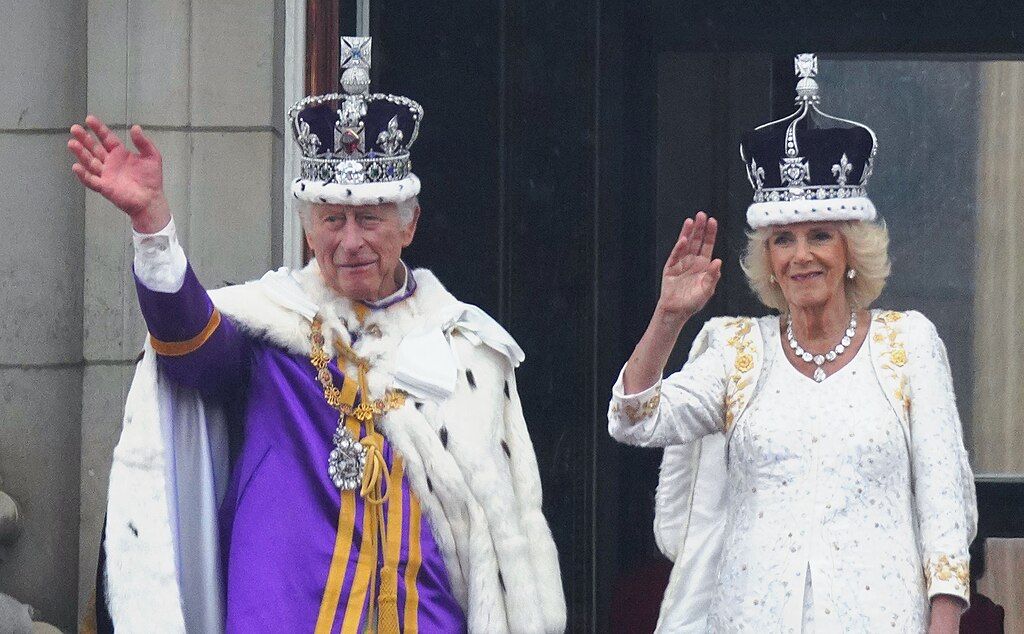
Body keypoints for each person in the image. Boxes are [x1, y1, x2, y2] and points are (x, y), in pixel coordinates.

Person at [69, 36, 565, 634]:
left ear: (409, 226)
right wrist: (152, 226)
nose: (349, 241)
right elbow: (190, 347)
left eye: (369, 218)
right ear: (310, 229)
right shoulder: (272, 331)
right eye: (332, 219)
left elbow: (498, 533)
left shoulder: (468, 351)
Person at [607, 54, 976, 633]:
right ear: (769, 261)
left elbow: (944, 502)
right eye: (783, 240)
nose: (801, 255)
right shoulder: (736, 352)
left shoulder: (910, 344)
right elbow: (635, 419)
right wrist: (668, 316)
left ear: (851, 251)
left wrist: (944, 618)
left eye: (820, 235)